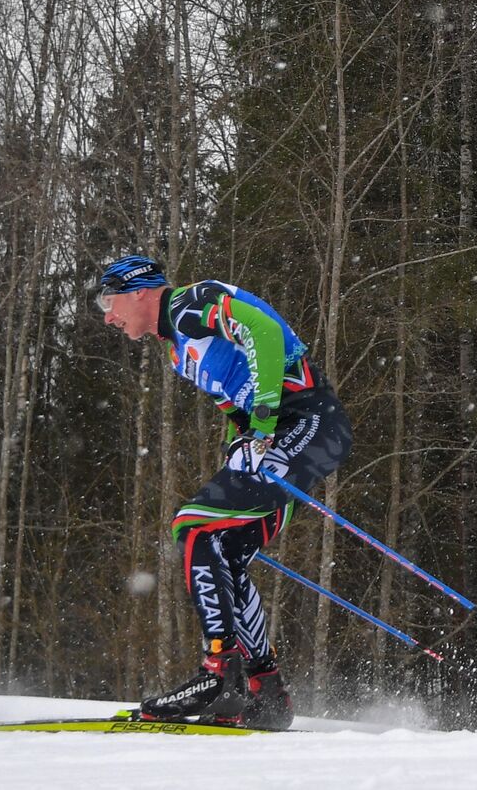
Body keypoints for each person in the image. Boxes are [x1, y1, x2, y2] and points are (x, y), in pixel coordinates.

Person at [96, 255, 353, 728]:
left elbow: (263, 331)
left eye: (108, 302)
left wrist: (261, 426)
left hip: (308, 420)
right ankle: (266, 691)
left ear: (138, 292)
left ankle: (220, 675)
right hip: (290, 431)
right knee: (220, 547)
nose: (108, 316)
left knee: (191, 525)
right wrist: (241, 435)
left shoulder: (188, 305)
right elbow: (236, 398)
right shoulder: (178, 352)